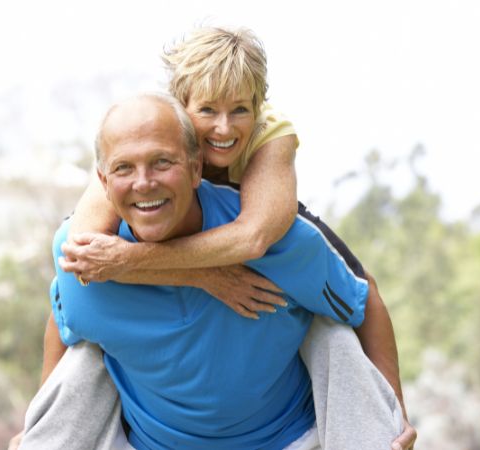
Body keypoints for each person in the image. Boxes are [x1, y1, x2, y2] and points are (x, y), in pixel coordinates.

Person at [57, 26, 415, 449]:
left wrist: (396, 416)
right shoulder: (147, 147)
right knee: (82, 314)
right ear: (180, 104)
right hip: (184, 227)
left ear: (258, 108)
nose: (223, 127)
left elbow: (252, 239)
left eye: (240, 109)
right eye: (208, 110)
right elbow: (80, 260)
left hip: (253, 219)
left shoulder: (270, 137)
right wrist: (202, 277)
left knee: (335, 311)